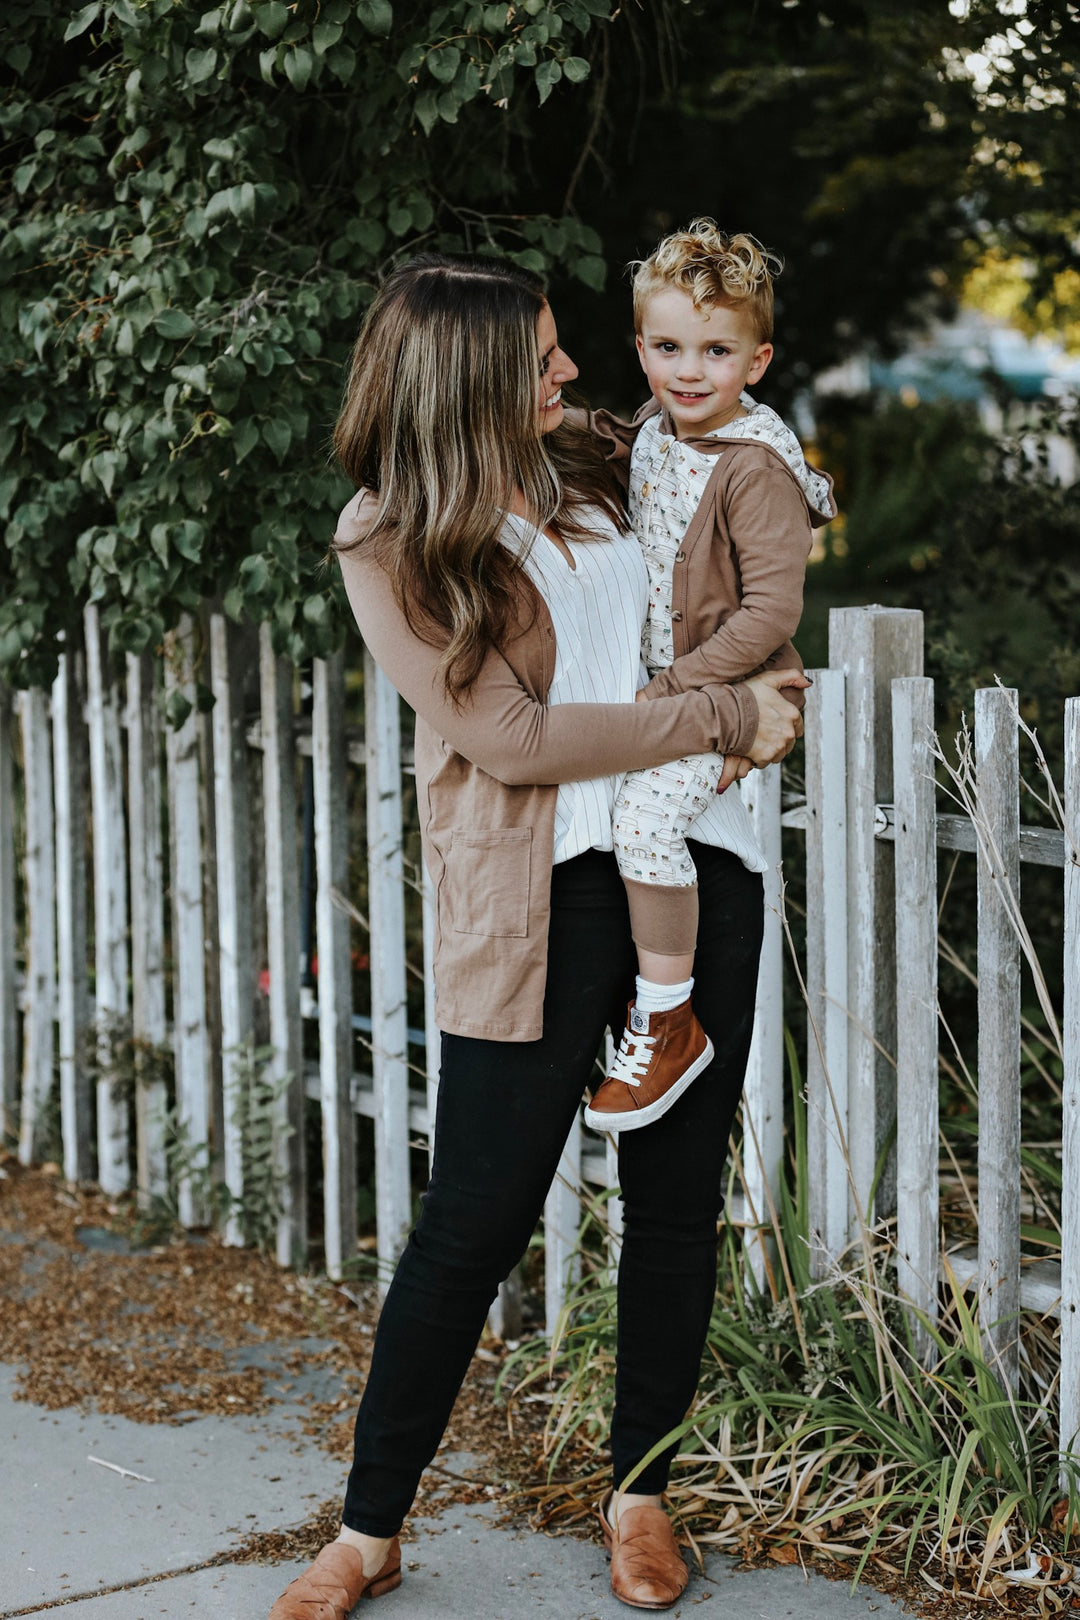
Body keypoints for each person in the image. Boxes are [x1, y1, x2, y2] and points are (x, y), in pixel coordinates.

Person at [268, 251, 807, 1619]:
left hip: (693, 870)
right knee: (473, 1220)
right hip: (536, 905)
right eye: (546, 357)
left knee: (677, 1205)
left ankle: (643, 1496)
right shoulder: (385, 538)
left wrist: (765, 673)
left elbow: (758, 513)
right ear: (467, 379)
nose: (573, 372)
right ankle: (370, 1528)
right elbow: (505, 741)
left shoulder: (607, 466)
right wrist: (721, 718)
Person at [583, 221, 836, 1136]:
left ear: (757, 360)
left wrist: (680, 688)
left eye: (717, 352)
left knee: (642, 821)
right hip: (679, 687)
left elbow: (770, 616)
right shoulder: (659, 424)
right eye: (667, 347)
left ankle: (669, 1021)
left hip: (733, 691)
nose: (689, 371)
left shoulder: (755, 471)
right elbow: (597, 436)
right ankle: (636, 988)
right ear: (641, 346)